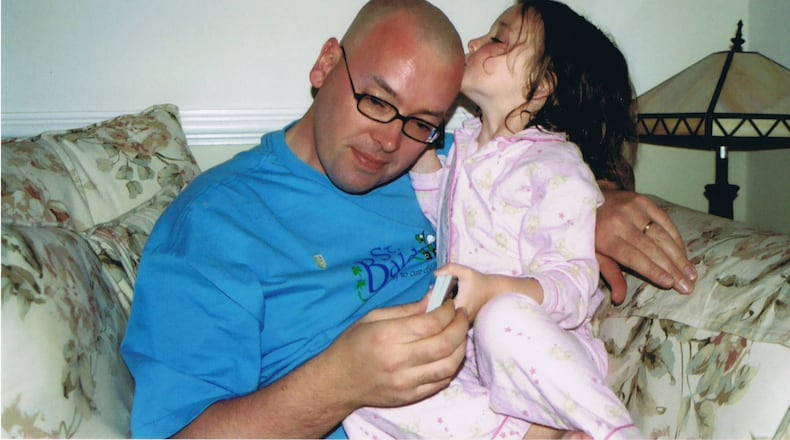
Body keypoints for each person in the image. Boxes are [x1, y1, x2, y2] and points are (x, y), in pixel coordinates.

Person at [120, 0, 697, 438]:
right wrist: (339, 383)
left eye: (423, 121)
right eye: (376, 100)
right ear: (325, 64)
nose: (388, 141)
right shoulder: (215, 226)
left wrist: (602, 200)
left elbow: (529, 175)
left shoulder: (427, 173)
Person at [343, 1, 642, 438]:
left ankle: (610, 429)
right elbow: (437, 211)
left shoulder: (555, 163)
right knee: (363, 395)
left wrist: (492, 292)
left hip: (537, 354)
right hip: (473, 365)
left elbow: (573, 284)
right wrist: (421, 136)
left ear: (541, 87)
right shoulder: (464, 146)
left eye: (498, 39)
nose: (474, 43)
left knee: (501, 318)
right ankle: (531, 433)